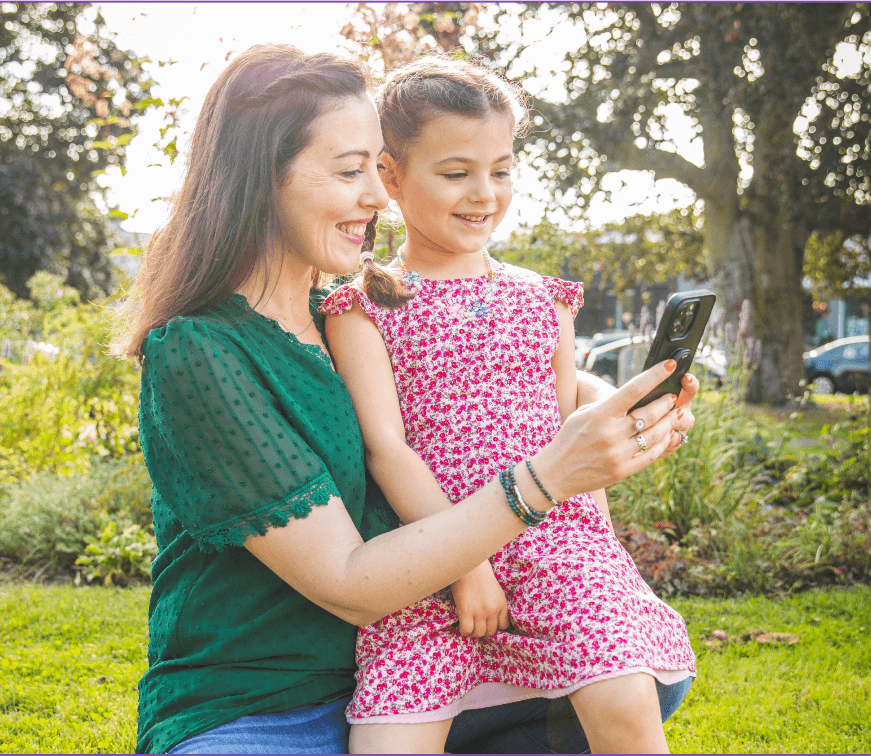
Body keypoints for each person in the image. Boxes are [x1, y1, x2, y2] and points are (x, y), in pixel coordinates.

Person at [117, 44, 698, 754]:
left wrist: (608, 401)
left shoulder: (337, 307)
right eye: (351, 170)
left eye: (375, 166)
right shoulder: (203, 351)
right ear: (262, 177)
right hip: (264, 703)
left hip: (436, 661)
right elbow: (350, 581)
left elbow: (483, 375)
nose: (377, 196)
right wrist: (548, 479)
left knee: (623, 679)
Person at [321, 55, 695, 755]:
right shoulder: (363, 305)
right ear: (391, 176)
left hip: (557, 547)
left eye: (501, 169)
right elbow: (387, 447)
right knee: (388, 743)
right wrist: (466, 567)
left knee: (624, 699)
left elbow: (565, 434)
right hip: (433, 555)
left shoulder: (545, 298)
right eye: (457, 172)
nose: (484, 193)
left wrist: (606, 537)